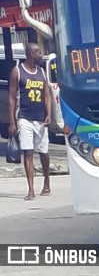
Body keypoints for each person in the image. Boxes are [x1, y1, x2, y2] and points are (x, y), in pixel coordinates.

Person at [7, 43, 51, 201]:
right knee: (28, 152)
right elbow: (11, 98)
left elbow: (47, 95)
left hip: (40, 120)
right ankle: (31, 188)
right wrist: (12, 122)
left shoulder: (42, 72)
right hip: (24, 117)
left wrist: (49, 114)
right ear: (31, 54)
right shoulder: (17, 72)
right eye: (39, 52)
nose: (41, 55)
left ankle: (46, 179)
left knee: (44, 152)